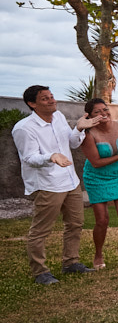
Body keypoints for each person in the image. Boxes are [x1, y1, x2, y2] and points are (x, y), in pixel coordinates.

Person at [13, 85, 101, 284]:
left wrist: (79, 128)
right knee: (41, 230)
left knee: (75, 223)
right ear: (32, 104)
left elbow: (71, 143)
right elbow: (29, 158)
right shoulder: (24, 128)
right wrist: (51, 156)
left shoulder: (59, 117)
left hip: (70, 181)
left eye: (52, 97)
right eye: (45, 99)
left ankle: (71, 263)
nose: (52, 100)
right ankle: (40, 272)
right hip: (48, 184)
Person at [81, 98, 118, 269]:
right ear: (89, 116)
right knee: (102, 220)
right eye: (97, 112)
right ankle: (98, 254)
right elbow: (96, 162)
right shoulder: (88, 134)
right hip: (97, 177)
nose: (103, 114)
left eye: (105, 109)